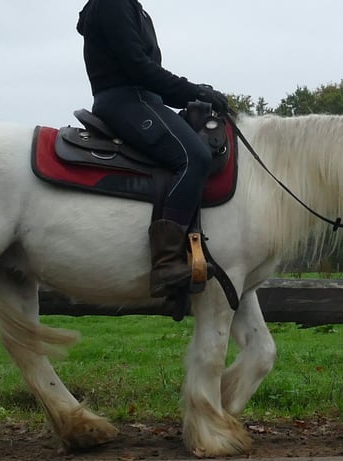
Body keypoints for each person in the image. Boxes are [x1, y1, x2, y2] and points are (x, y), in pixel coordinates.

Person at [76, 0, 229, 298]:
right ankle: (166, 263)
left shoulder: (134, 8)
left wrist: (194, 94)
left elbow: (149, 75)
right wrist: (194, 91)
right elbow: (139, 68)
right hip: (126, 100)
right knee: (194, 157)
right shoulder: (113, 4)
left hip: (144, 100)